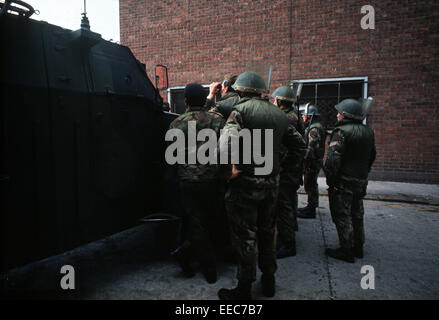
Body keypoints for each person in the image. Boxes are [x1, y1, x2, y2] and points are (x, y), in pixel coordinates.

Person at [217, 72, 300, 300]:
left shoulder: (240, 112)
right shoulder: (280, 114)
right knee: (266, 234)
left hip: (245, 187)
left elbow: (225, 143)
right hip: (271, 185)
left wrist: (228, 173)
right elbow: (300, 146)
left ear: (240, 91)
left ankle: (244, 289)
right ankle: (269, 280)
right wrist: (282, 167)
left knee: (246, 237)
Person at [168, 83, 226, 283]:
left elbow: (172, 154)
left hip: (187, 180)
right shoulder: (217, 121)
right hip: (212, 180)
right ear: (204, 100)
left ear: (185, 101)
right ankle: (207, 267)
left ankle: (185, 252)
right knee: (210, 220)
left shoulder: (176, 123)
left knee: (196, 222)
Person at [324, 98, 376, 263]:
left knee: (342, 215)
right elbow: (372, 156)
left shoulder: (341, 132)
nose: (337, 115)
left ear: (346, 115)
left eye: (339, 112)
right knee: (357, 214)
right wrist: (364, 173)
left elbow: (333, 161)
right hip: (360, 180)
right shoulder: (368, 131)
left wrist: (331, 182)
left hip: (343, 181)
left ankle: (346, 250)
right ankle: (358, 247)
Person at [270, 86, 307, 259]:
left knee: (283, 206)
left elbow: (293, 146)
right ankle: (290, 231)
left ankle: (287, 243)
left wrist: (284, 165)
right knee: (289, 203)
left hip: (287, 170)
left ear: (278, 101)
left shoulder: (285, 118)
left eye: (273, 99)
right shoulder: (294, 115)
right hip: (293, 169)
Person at [297, 105, 326, 219]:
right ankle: (310, 206)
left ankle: (311, 210)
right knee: (311, 184)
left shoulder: (314, 129)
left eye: (304, 115)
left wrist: (304, 163)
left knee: (310, 184)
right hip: (314, 160)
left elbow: (310, 148)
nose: (303, 117)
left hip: (312, 162)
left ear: (310, 116)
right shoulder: (314, 126)